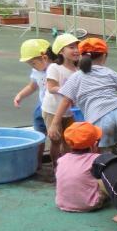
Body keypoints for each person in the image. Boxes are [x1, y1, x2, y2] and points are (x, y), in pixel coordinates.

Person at [48, 38, 117, 150]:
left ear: (82, 56)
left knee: (99, 152)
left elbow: (65, 101)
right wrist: (115, 98)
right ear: (104, 56)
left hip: (99, 117)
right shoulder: (110, 72)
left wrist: (55, 124)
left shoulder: (77, 76)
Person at [42, 34, 81, 162]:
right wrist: (68, 90)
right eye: (71, 47)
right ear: (61, 51)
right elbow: (51, 88)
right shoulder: (55, 67)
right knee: (55, 140)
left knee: (69, 140)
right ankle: (56, 166)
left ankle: (66, 165)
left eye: (77, 47)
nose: (76, 50)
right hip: (52, 110)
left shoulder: (77, 70)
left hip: (68, 111)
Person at [55, 122, 106, 213]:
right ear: (94, 144)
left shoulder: (62, 159)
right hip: (89, 205)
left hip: (61, 203)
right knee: (105, 179)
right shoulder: (96, 159)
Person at [13, 38, 51, 136]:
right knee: (39, 131)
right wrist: (20, 95)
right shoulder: (36, 71)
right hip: (42, 104)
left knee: (55, 134)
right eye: (29, 64)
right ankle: (39, 148)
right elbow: (32, 86)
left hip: (54, 107)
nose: (32, 66)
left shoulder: (55, 69)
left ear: (45, 58)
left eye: (33, 63)